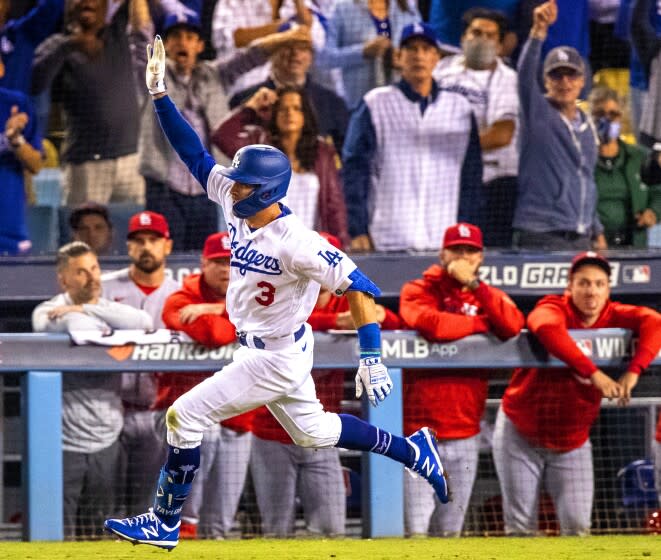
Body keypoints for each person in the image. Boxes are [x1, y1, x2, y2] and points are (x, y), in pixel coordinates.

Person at [103, 35, 449, 550]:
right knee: (313, 431)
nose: (232, 186)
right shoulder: (232, 195)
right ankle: (413, 452)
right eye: (236, 181)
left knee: (183, 416)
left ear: (265, 191)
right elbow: (194, 153)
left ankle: (164, 520)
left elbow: (362, 289)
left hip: (275, 355)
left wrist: (371, 357)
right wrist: (159, 97)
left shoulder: (299, 243)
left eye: (243, 184)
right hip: (268, 343)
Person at [492, 251, 661, 536]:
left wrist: (634, 371)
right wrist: (594, 374)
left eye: (598, 283)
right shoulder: (555, 306)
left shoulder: (613, 314)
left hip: (572, 442)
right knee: (520, 529)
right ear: (570, 286)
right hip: (520, 434)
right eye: (583, 283)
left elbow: (654, 321)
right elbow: (543, 325)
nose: (591, 291)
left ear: (608, 289)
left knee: (578, 527)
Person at [249, 231, 402, 537]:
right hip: (271, 433)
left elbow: (395, 324)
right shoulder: (277, 291)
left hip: (322, 434)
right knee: (276, 532)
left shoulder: (341, 302)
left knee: (332, 529)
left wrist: (379, 315)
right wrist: (334, 324)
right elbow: (268, 322)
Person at [139, 12, 312, 250]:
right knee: (167, 256)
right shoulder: (152, 74)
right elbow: (138, 37)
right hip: (164, 187)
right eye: (176, 36)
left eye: (190, 37)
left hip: (207, 185)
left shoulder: (214, 75)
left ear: (200, 45)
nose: (183, 42)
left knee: (204, 255)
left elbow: (251, 55)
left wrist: (287, 37)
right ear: (165, 44)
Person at [399, 222, 524, 537]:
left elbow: (512, 324)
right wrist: (482, 324)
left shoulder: (487, 295)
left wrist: (477, 289)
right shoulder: (418, 289)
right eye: (457, 250)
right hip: (418, 432)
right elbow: (432, 325)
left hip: (466, 432)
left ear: (481, 258)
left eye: (471, 251)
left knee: (450, 532)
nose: (463, 257)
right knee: (415, 533)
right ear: (443, 253)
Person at [32, 241, 153, 538]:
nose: (93, 277)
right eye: (82, 272)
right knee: (56, 536)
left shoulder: (104, 307)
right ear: (64, 279)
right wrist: (90, 316)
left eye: (95, 268)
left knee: (96, 535)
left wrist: (85, 307)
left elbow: (145, 321)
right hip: (62, 444)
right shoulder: (49, 309)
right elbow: (79, 328)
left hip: (107, 441)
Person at [342, 22, 481, 252]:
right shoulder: (375, 103)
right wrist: (357, 228)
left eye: (426, 50)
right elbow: (354, 170)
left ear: (437, 58)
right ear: (398, 57)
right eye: (412, 49)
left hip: (443, 240)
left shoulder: (460, 108)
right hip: (387, 237)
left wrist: (465, 234)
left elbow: (471, 178)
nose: (419, 56)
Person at [160, 231, 255, 539]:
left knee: (220, 525)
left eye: (230, 262)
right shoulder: (182, 296)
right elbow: (214, 335)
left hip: (240, 420)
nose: (225, 270)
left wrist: (217, 309)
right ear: (203, 263)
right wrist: (234, 318)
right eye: (217, 262)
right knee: (186, 523)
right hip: (191, 420)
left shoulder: (258, 295)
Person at [31, 0, 150, 205]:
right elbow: (35, 82)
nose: (87, 1)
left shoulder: (117, 33)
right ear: (68, 5)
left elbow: (142, 25)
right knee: (85, 234)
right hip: (85, 163)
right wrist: (71, 44)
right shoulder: (57, 43)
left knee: (132, 233)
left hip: (130, 159)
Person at [101, 210, 180, 518]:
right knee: (102, 498)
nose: (146, 247)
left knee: (144, 505)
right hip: (110, 408)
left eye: (154, 240)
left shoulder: (180, 293)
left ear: (167, 246)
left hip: (157, 413)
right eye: (138, 240)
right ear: (128, 246)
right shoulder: (105, 288)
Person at [512, 0, 605, 250]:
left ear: (582, 81)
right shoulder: (537, 112)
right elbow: (524, 75)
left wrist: (597, 229)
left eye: (571, 75)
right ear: (545, 81)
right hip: (542, 232)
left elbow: (587, 180)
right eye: (556, 75)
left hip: (580, 234)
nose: (564, 82)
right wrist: (537, 34)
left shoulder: (587, 125)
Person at [213, 85, 350, 245]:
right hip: (265, 246)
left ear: (305, 115)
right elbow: (221, 136)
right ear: (274, 114)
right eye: (283, 109)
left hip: (309, 248)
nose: (289, 114)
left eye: (296, 108)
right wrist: (252, 106)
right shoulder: (259, 147)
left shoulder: (322, 153)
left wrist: (341, 243)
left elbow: (333, 204)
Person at [434, 8, 518, 247]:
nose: (481, 39)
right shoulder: (443, 69)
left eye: (490, 35)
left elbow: (502, 134)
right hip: (448, 177)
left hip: (493, 184)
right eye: (476, 32)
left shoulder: (508, 78)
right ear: (463, 38)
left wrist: (447, 146)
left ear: (501, 46)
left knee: (483, 252)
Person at [228, 35, 349, 154]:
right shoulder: (244, 100)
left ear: (311, 56)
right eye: (287, 46)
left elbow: (346, 157)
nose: (295, 53)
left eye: (302, 48)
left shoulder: (333, 103)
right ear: (271, 53)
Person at [589, 86, 661, 248]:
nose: (606, 120)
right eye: (599, 114)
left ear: (621, 118)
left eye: (613, 114)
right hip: (593, 245)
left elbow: (659, 190)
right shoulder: (580, 159)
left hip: (633, 245)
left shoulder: (640, 157)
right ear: (590, 117)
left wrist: (654, 212)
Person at [316, 0, 420, 109]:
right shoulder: (342, 8)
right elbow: (325, 59)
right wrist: (362, 52)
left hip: (401, 106)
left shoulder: (407, 10)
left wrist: (404, 60)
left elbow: (429, 51)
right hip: (359, 106)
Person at [210, 0, 307, 97]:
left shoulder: (293, 5)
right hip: (236, 92)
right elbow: (223, 38)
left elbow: (312, 39)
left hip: (277, 96)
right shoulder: (233, 2)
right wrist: (276, 31)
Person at [0, 85, 43, 255]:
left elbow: (35, 164)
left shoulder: (16, 103)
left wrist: (15, 138)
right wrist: (5, 139)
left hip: (10, 233)